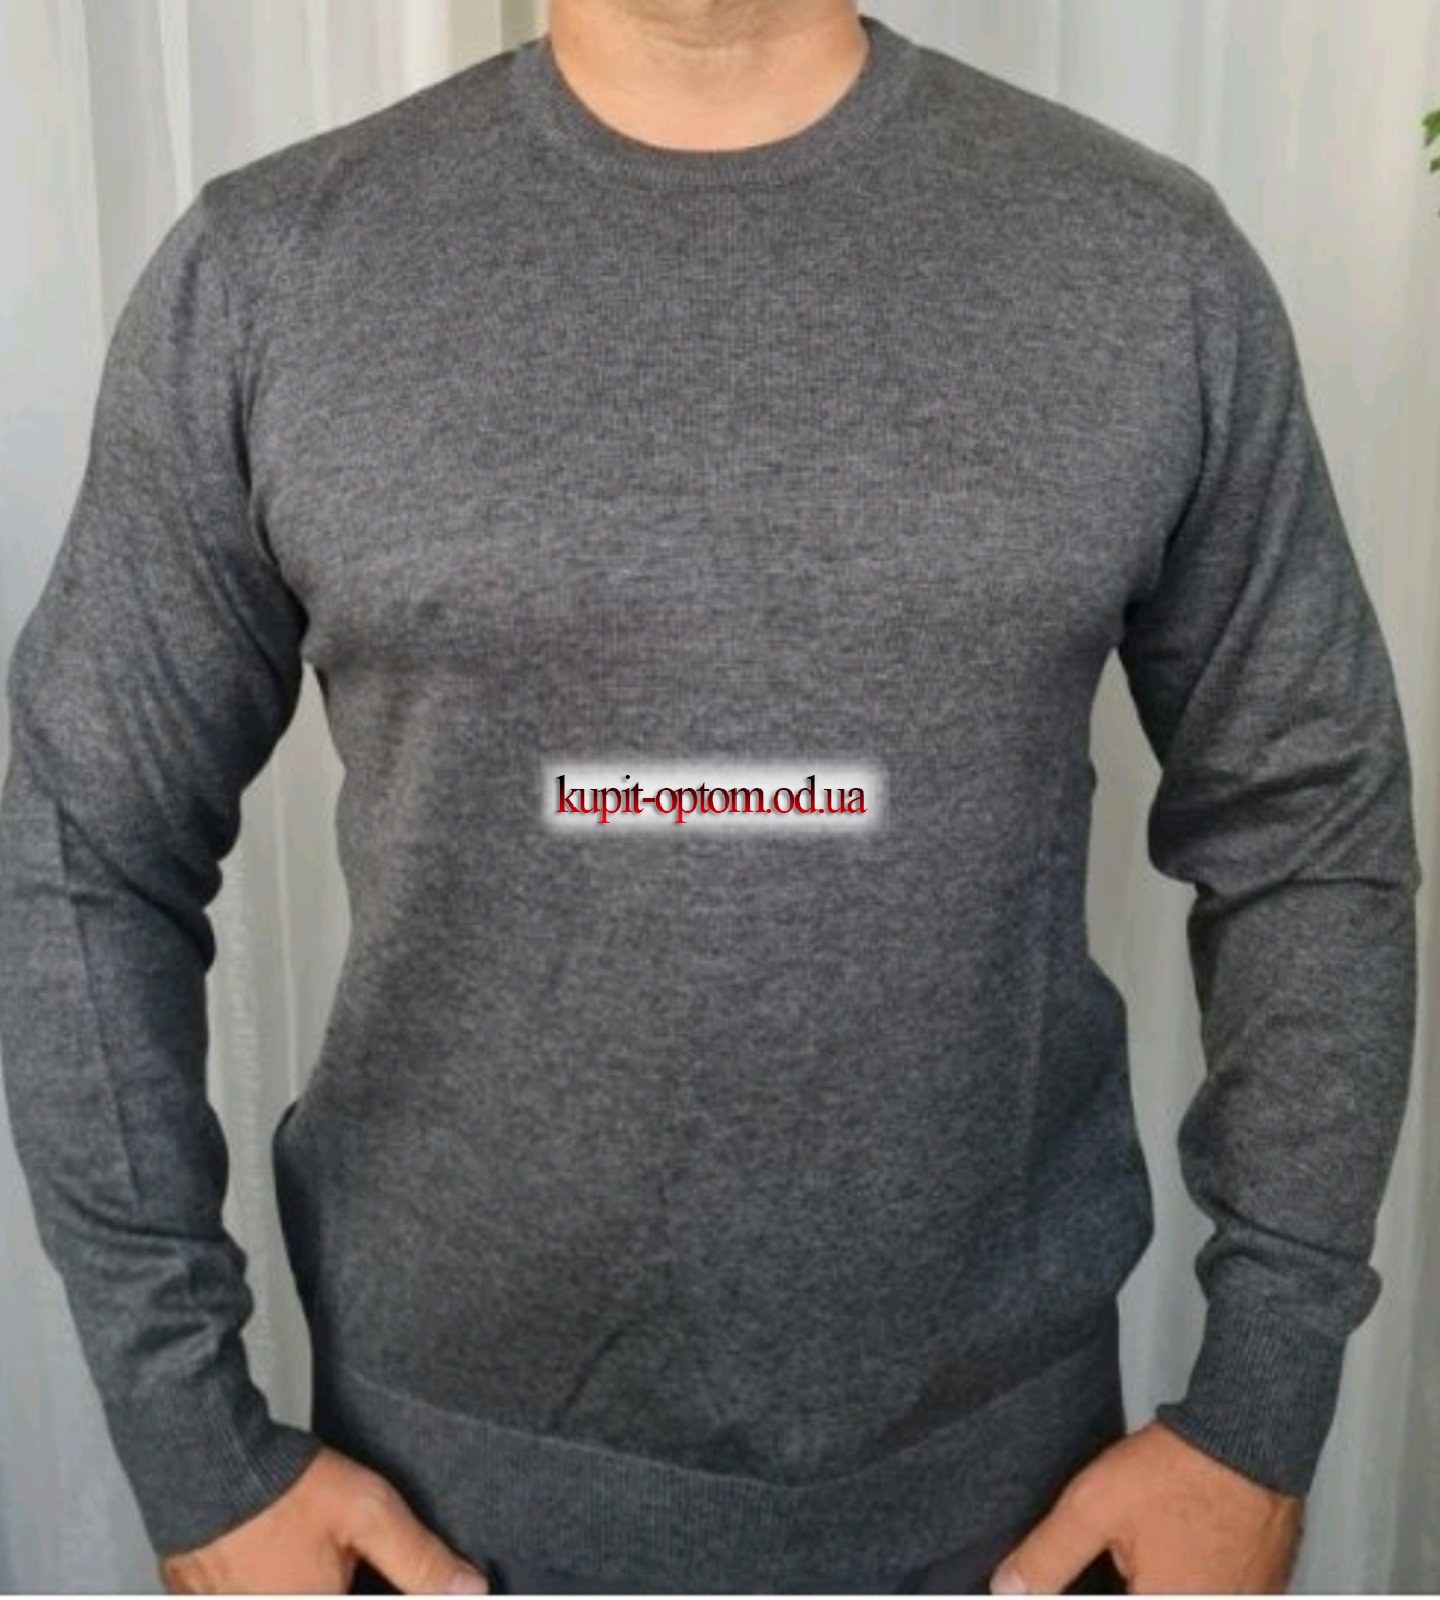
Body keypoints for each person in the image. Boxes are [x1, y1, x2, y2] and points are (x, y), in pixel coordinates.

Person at [0, 0, 1421, 1592]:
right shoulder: (270, 272)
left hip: (1012, 1521)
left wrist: (1257, 1414)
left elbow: (1310, 822)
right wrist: (198, 1456)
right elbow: (83, 847)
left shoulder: (1143, 261)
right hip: (435, 1526)